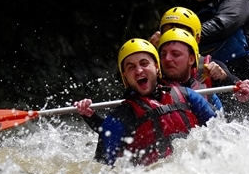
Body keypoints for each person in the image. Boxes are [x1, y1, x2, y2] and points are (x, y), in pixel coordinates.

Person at [74, 39, 216, 165]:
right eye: (131, 67)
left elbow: (219, 129)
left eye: (144, 63)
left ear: (156, 66)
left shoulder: (187, 95)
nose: (139, 70)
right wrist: (92, 118)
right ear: (125, 76)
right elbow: (100, 169)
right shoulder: (121, 117)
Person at [157, 27, 249, 113]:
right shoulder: (154, 86)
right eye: (163, 55)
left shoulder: (209, 78)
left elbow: (237, 88)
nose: (167, 59)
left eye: (175, 54)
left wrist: (229, 80)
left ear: (191, 59)